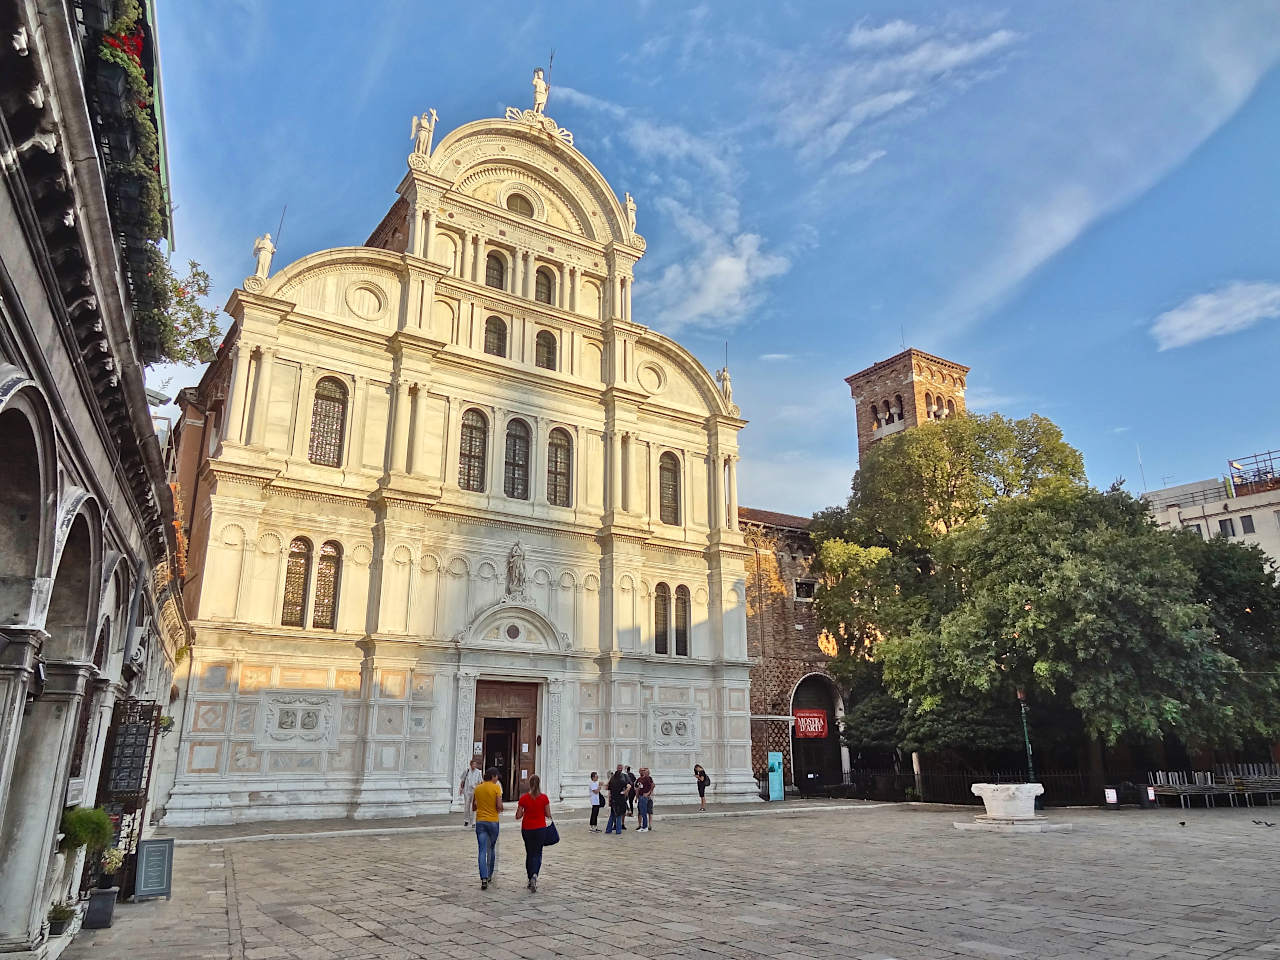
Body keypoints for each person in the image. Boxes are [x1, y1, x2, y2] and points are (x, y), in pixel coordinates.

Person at [515, 774, 553, 892]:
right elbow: (548, 814)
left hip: (527, 829)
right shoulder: (544, 798)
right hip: (540, 829)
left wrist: (525, 810)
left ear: (529, 784)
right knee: (538, 853)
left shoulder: (524, 798)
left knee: (529, 853)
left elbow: (518, 816)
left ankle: (529, 876)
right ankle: (535, 875)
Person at [472, 767, 504, 889]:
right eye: (496, 777)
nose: (497, 779)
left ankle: (483, 877)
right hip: (492, 822)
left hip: (480, 821)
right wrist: (500, 808)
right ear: (492, 776)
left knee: (481, 850)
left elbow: (473, 807)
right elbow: (499, 806)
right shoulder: (496, 787)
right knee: (491, 848)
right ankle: (490, 875)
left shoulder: (477, 788)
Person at [459, 758, 483, 827]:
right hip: (467, 790)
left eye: (475, 764)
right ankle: (466, 820)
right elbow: (462, 780)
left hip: (474, 791)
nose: (474, 766)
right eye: (473, 764)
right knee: (467, 806)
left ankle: (473, 822)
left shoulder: (478, 772)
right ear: (471, 765)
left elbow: (481, 782)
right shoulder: (466, 771)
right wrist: (461, 789)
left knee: (474, 807)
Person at [606, 765, 628, 835]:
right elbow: (629, 786)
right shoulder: (622, 781)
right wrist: (625, 792)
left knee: (612, 815)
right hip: (620, 800)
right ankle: (618, 830)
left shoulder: (612, 780)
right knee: (619, 815)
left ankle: (608, 830)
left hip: (613, 800)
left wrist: (609, 800)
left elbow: (608, 789)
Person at [635, 767, 655, 832]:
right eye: (641, 771)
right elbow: (638, 788)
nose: (642, 772)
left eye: (643, 771)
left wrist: (648, 793)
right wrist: (636, 797)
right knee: (641, 811)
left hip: (646, 797)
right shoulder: (639, 779)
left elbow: (652, 785)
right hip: (641, 797)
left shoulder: (648, 778)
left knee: (648, 811)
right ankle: (641, 825)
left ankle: (647, 826)